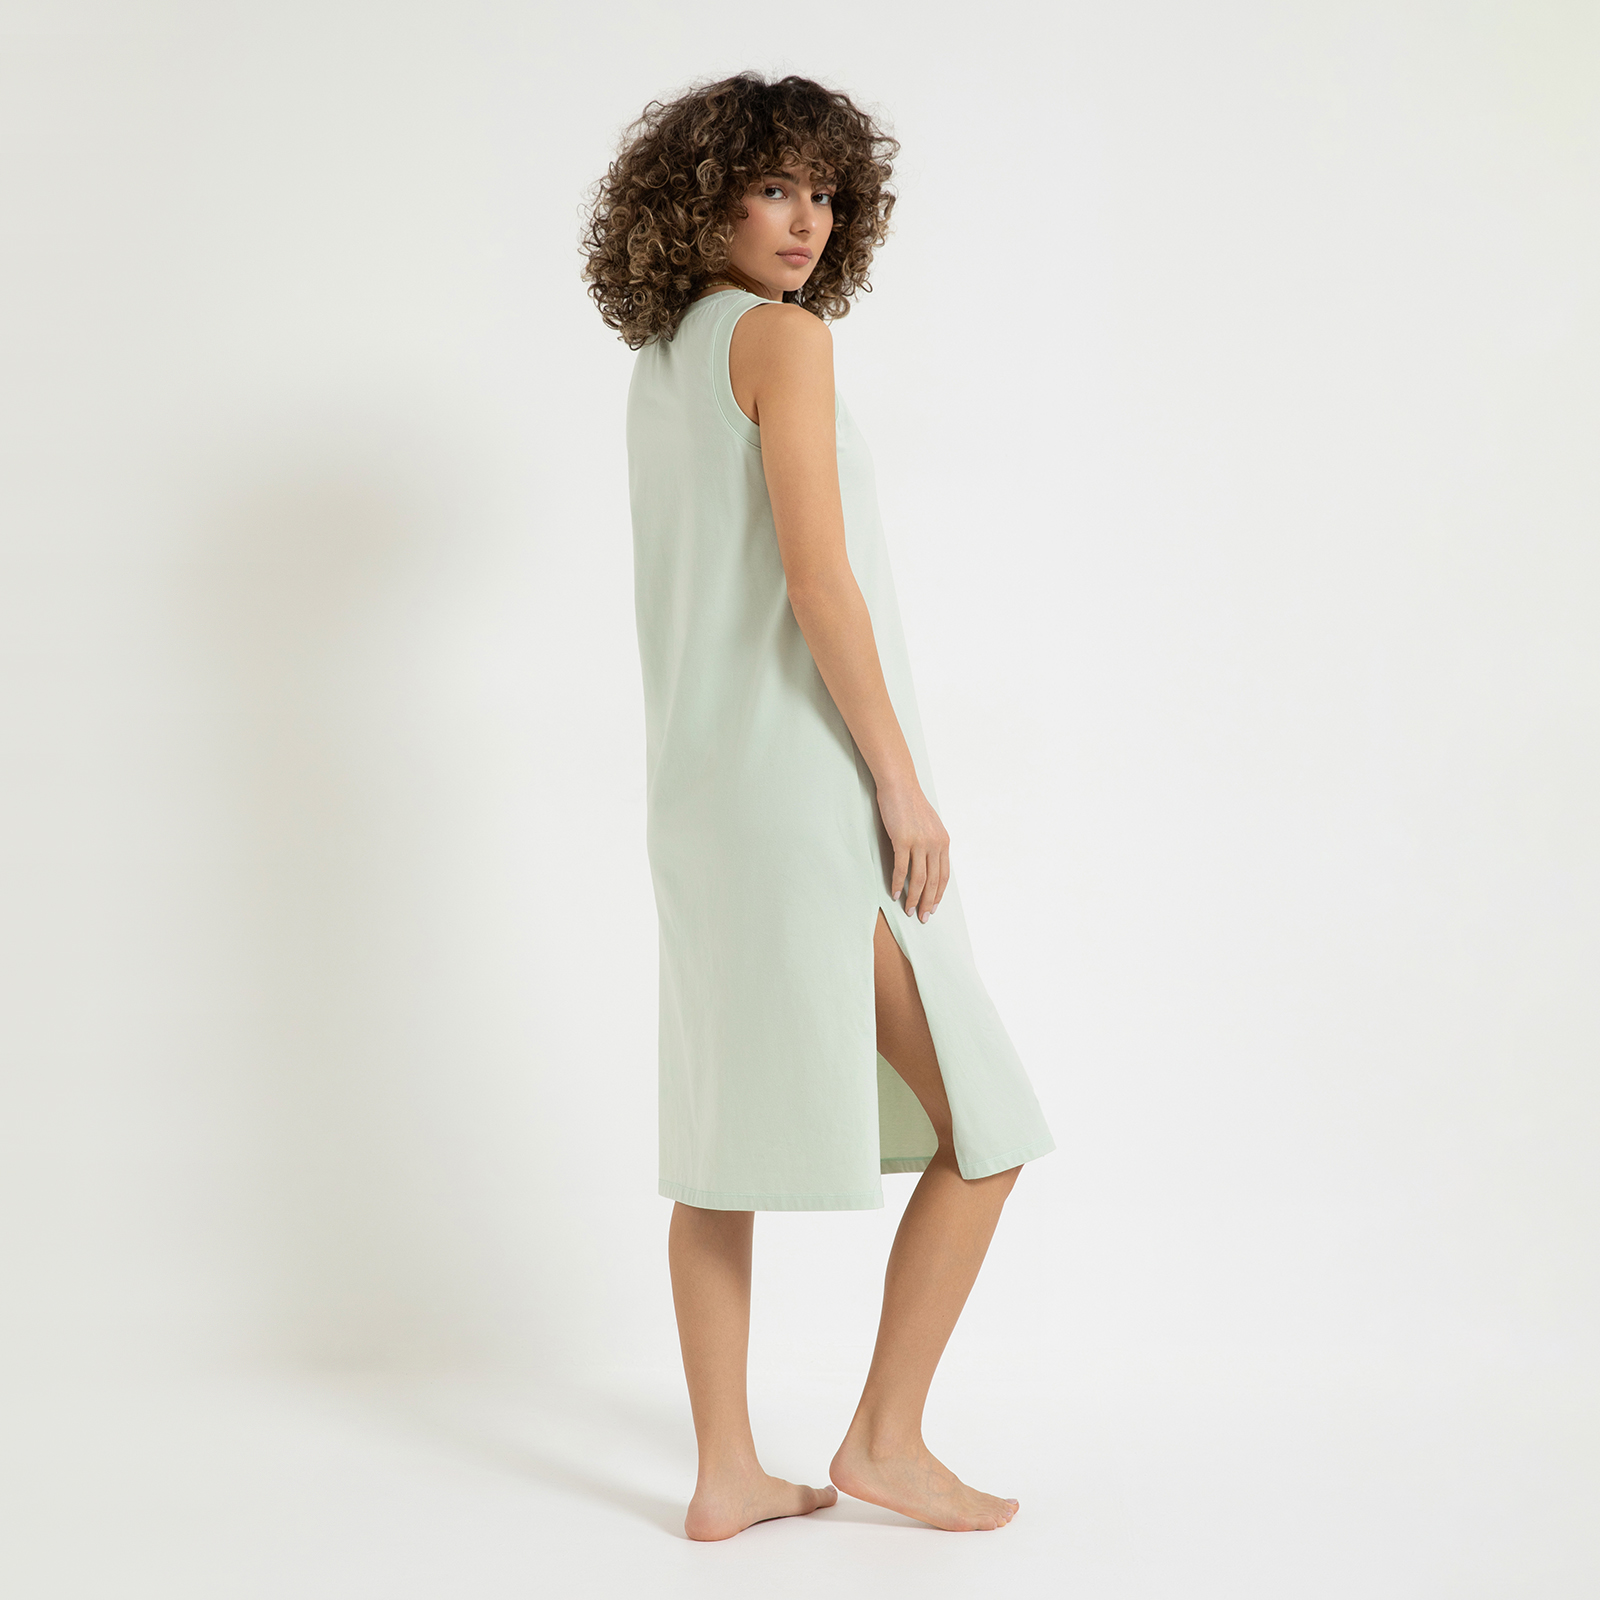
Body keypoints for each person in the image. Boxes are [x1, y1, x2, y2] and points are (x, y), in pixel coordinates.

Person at [582, 72, 1055, 1542]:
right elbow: (816, 578)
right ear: (704, 199)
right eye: (775, 187)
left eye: (827, 193)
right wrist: (901, 785)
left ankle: (727, 1473)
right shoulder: (783, 342)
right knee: (989, 1124)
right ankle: (885, 1441)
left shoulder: (663, 360)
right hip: (802, 793)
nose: (808, 221)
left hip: (700, 806)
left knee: (715, 1148)